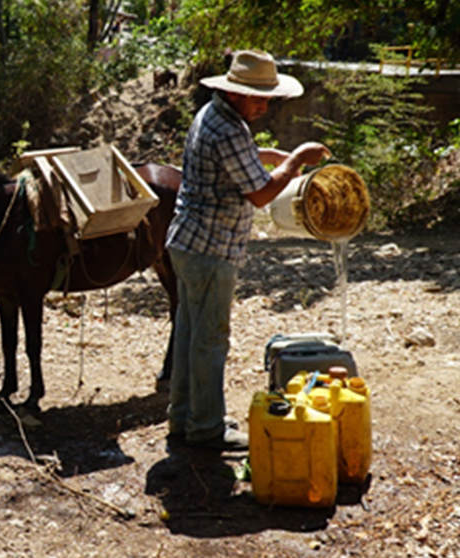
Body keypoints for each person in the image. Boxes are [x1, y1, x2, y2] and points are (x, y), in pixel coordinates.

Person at [165, 50, 333, 451]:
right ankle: (205, 428)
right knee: (210, 340)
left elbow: (228, 163)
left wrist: (267, 158)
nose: (264, 105)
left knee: (190, 335)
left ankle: (183, 418)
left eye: (268, 98)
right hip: (211, 248)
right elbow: (260, 194)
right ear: (235, 93)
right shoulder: (230, 129)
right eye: (258, 97)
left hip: (187, 242)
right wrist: (294, 161)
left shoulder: (213, 115)